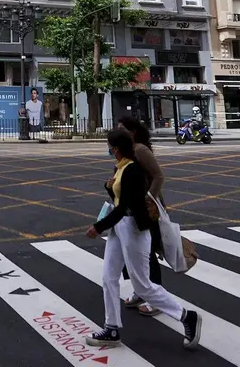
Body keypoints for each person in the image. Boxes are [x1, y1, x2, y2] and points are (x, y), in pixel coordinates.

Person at [85, 129, 201, 350]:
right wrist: (109, 188)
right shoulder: (120, 168)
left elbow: (125, 206)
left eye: (109, 145)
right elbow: (118, 200)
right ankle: (111, 328)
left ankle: (187, 317)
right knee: (109, 277)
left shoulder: (133, 170)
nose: (107, 149)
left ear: (116, 148)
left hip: (134, 229)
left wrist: (98, 227)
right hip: (120, 228)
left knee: (143, 285)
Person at [117, 116, 165, 316]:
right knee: (131, 251)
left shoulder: (140, 150)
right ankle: (140, 290)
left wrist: (148, 198)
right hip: (128, 208)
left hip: (145, 208)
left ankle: (156, 296)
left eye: (121, 129)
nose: (117, 132)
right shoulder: (127, 151)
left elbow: (159, 176)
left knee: (148, 252)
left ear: (132, 132)